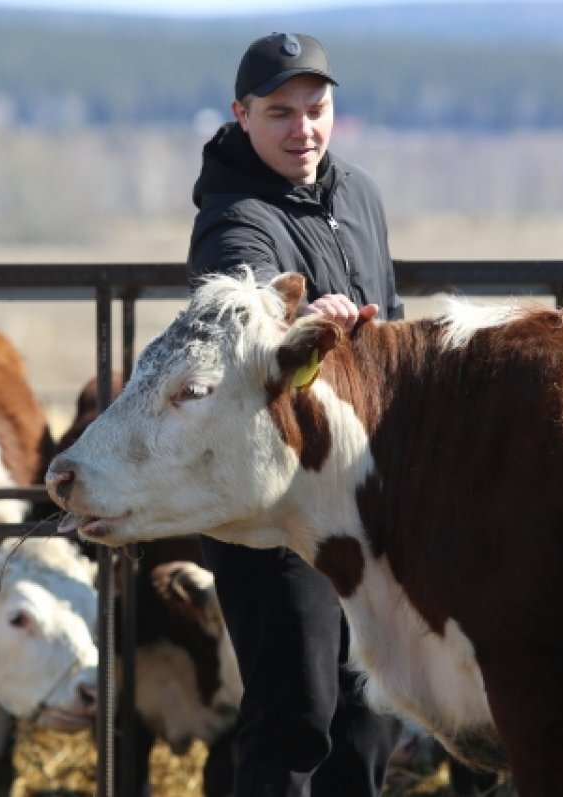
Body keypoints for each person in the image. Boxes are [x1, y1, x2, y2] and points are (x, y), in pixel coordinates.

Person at [186, 32, 404, 797]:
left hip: (353, 495)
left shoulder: (361, 196)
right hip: (270, 506)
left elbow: (394, 326)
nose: (302, 129)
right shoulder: (231, 216)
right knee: (297, 713)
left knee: (371, 711)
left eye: (317, 109)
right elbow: (246, 318)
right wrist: (303, 320)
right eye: (280, 112)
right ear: (242, 114)